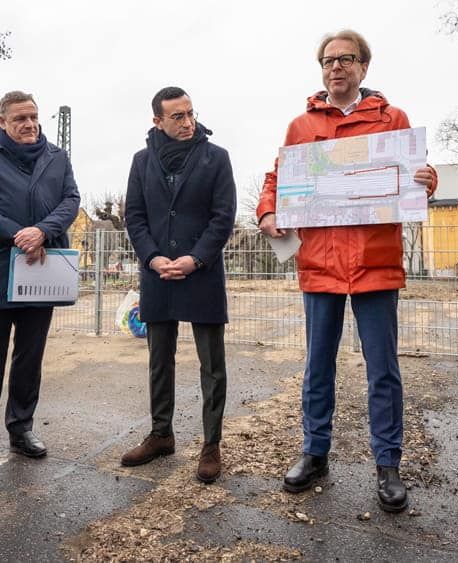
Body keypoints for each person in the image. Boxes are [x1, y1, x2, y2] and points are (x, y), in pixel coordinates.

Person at [256, 30, 437, 512]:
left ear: (363, 67)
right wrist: (268, 211)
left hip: (375, 263)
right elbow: (278, 177)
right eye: (328, 60)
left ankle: (388, 464)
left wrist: (428, 179)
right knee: (318, 365)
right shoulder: (301, 125)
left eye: (346, 59)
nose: (335, 67)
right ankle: (314, 452)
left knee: (383, 370)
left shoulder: (392, 120)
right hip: (321, 263)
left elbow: (416, 173)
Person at [0, 90, 80, 479]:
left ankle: (21, 428)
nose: (29, 124)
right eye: (19, 119)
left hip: (42, 270)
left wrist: (43, 231)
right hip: (0, 272)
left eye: (32, 117)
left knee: (30, 358)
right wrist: (20, 235)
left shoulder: (57, 158)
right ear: (2, 122)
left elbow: (70, 200)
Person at [122, 86, 236, 483]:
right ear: (157, 121)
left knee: (212, 365)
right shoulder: (142, 161)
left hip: (201, 273)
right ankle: (161, 435)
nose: (188, 122)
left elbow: (223, 217)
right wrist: (152, 258)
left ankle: (211, 444)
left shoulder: (216, 157)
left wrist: (195, 258)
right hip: (158, 275)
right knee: (159, 360)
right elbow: (135, 216)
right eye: (177, 117)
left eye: (190, 114)